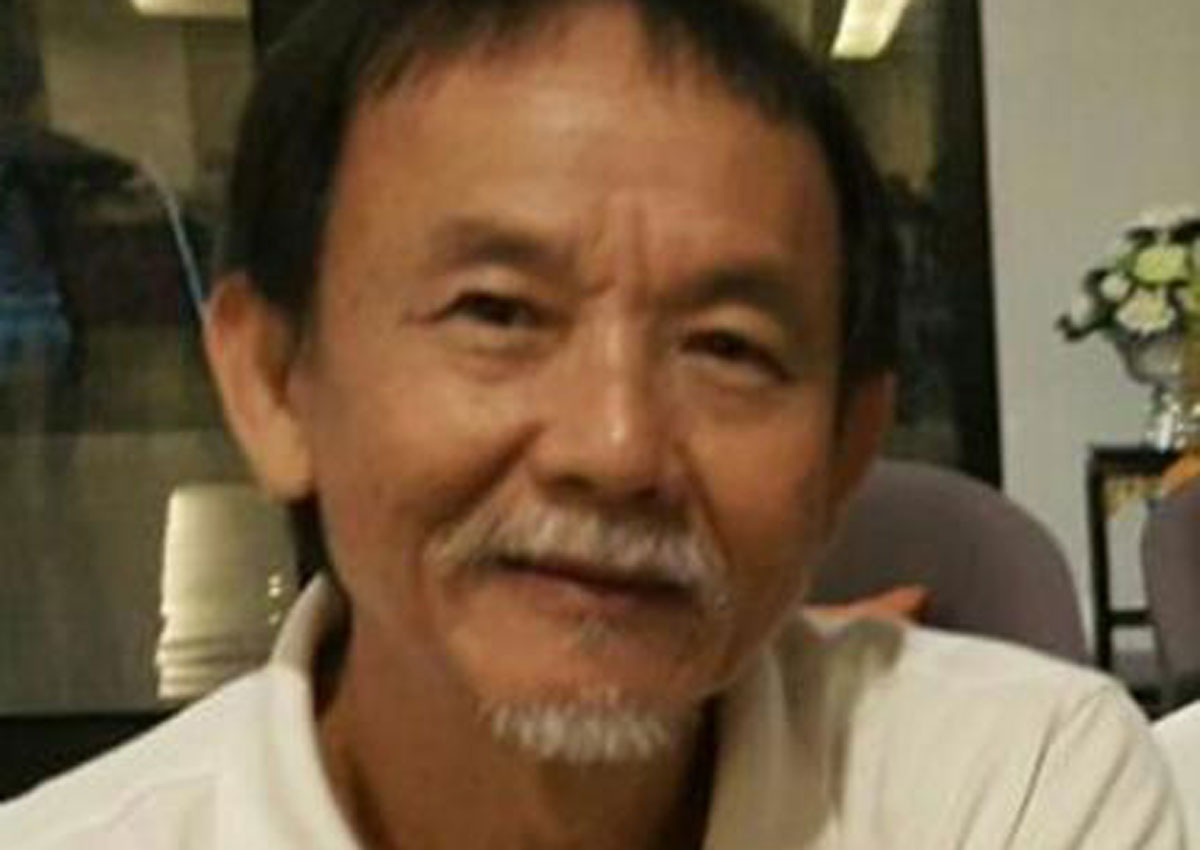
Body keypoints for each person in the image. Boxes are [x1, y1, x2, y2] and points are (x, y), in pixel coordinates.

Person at [0, 0, 1185, 847]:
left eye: (728, 346)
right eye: (497, 312)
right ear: (271, 382)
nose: (616, 448)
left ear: (847, 450)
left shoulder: (1012, 788)